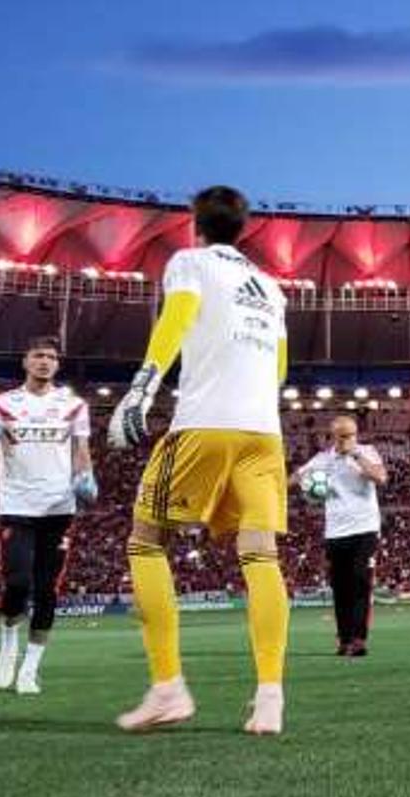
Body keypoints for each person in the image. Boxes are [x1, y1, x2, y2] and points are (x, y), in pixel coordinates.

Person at [107, 185, 292, 735]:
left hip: (205, 423)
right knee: (260, 555)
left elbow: (178, 318)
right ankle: (269, 698)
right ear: (244, 227)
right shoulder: (272, 288)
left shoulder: (189, 262)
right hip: (264, 433)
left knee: (145, 539)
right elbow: (280, 370)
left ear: (195, 224)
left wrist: (141, 388)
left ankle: (168, 688)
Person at [0, 336, 97, 696]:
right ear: (25, 361)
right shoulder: (2, 404)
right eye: (38, 355)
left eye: (52, 357)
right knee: (18, 583)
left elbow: (82, 451)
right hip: (16, 507)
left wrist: (86, 479)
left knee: (47, 592)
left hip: (59, 508)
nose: (45, 361)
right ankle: (9, 640)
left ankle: (30, 669)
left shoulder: (74, 405)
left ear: (57, 364)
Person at [295, 413, 387, 657]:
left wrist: (355, 455)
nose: (347, 439)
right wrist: (303, 482)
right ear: (333, 437)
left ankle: (358, 639)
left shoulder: (366, 452)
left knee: (360, 582)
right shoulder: (323, 459)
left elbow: (380, 477)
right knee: (340, 587)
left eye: (351, 435)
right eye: (342, 436)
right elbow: (296, 477)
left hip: (365, 529)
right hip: (335, 532)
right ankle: (344, 639)